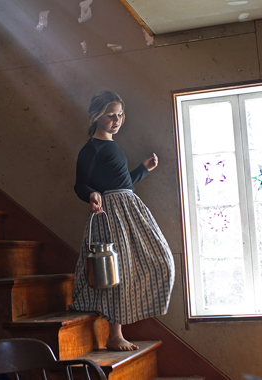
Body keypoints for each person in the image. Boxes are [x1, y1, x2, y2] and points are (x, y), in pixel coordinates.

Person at [71, 90, 175, 351]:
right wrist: (92, 194)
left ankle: (117, 331)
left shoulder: (111, 144)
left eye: (119, 115)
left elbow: (122, 183)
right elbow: (80, 184)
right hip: (111, 214)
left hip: (129, 209)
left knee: (160, 261)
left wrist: (143, 170)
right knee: (119, 271)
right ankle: (115, 335)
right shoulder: (91, 149)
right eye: (110, 116)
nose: (116, 120)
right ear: (96, 117)